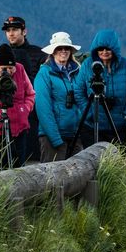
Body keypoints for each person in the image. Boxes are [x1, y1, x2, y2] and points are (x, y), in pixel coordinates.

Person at [73, 29, 126, 152]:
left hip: (118, 126)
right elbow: (78, 91)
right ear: (95, 50)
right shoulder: (88, 65)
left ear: (114, 49)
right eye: (100, 49)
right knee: (91, 162)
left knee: (118, 162)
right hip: (92, 126)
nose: (104, 52)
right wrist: (89, 114)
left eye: (108, 49)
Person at [2, 16, 47, 162]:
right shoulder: (1, 54)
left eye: (15, 29)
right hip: (6, 112)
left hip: (32, 112)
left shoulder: (39, 53)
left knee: (31, 159)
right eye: (8, 30)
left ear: (24, 31)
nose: (11, 33)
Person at [33, 31, 83, 163]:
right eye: (59, 48)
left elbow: (82, 100)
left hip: (74, 134)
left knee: (78, 177)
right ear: (53, 51)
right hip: (52, 137)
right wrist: (55, 139)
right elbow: (43, 109)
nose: (63, 51)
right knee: (53, 179)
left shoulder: (77, 72)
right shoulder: (44, 73)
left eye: (66, 48)